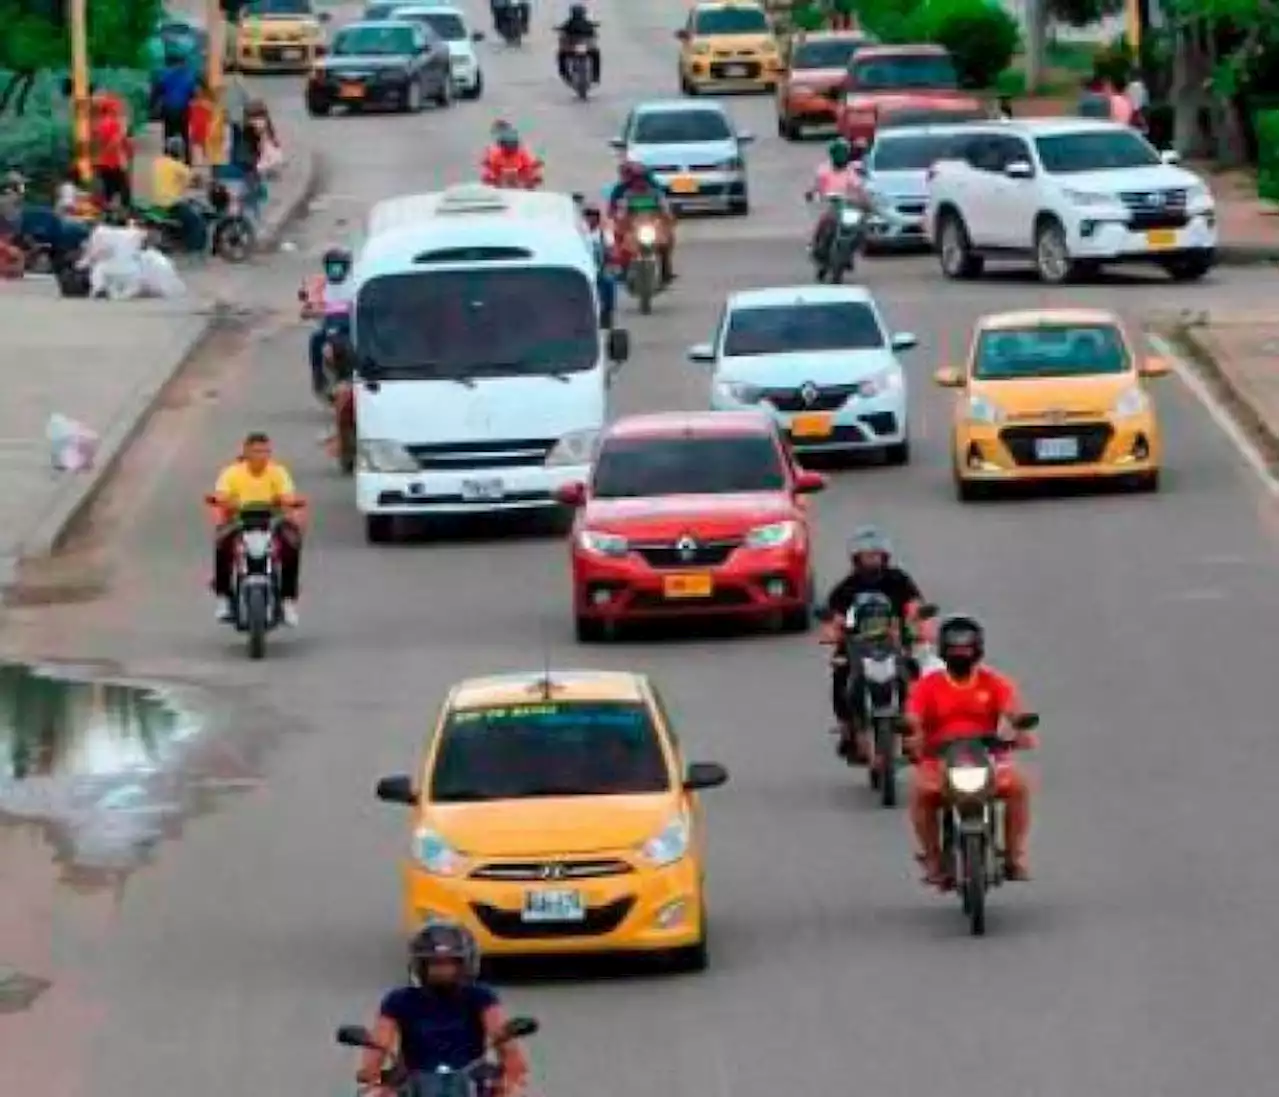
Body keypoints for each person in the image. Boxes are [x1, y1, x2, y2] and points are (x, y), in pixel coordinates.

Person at [904, 614, 1034, 887]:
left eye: (966, 649)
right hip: (938, 756)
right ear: (944, 651)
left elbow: (1013, 711)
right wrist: (911, 735)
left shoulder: (993, 682)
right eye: (954, 649)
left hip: (986, 754)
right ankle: (934, 859)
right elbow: (913, 716)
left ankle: (1014, 855)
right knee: (921, 794)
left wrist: (1021, 731)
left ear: (977, 650)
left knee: (1019, 787)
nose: (960, 654)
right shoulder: (928, 685)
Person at [355, 922, 529, 1097]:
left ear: (464, 964)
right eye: (435, 964)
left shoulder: (481, 996)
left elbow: (499, 1032)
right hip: (412, 1080)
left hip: (472, 1078)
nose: (442, 970)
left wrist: (511, 1062)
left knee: (513, 1093)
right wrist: (371, 1069)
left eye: (450, 963)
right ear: (421, 966)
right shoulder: (398, 1000)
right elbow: (380, 1043)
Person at [821, 526, 925, 761]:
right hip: (855, 644)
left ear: (885, 557)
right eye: (867, 555)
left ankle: (913, 729)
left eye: (877, 554)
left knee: (915, 673)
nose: (872, 559)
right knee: (840, 675)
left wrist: (919, 625)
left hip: (894, 641)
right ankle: (848, 728)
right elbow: (834, 616)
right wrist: (832, 631)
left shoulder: (898, 579)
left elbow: (914, 605)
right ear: (857, 559)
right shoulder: (846, 587)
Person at [209, 432, 304, 626]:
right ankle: (223, 598)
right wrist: (223, 500)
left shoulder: (278, 472)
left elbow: (288, 496)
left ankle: (288, 600)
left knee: (292, 544)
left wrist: (287, 501)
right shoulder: (232, 472)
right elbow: (220, 494)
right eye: (256, 451)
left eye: (265, 451)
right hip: (239, 521)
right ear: (245, 452)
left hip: (272, 522)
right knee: (222, 544)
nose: (261, 455)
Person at [806, 138, 878, 266]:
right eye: (838, 153)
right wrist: (812, 193)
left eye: (844, 153)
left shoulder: (850, 170)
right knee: (823, 222)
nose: (841, 158)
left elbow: (859, 188)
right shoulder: (824, 169)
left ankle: (849, 252)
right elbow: (816, 186)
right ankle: (816, 246)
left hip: (847, 206)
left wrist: (866, 203)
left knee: (859, 227)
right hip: (830, 205)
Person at [608, 160, 676, 283]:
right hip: (634, 227)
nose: (640, 182)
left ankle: (666, 270)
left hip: (654, 225)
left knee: (666, 241)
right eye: (637, 179)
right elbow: (621, 210)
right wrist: (620, 217)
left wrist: (668, 216)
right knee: (624, 243)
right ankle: (624, 269)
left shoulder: (656, 193)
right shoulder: (627, 194)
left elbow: (665, 207)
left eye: (643, 179)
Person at [306, 247, 356, 399]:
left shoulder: (355, 282)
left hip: (351, 324)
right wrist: (310, 310)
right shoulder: (320, 284)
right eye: (331, 266)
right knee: (315, 340)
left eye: (338, 266)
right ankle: (318, 376)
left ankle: (348, 377)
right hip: (329, 324)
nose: (335, 270)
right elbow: (310, 304)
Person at [152, 137, 207, 252]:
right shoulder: (177, 166)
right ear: (179, 151)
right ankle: (194, 249)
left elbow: (172, 180)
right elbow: (195, 178)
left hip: (157, 203)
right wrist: (203, 183)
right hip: (172, 204)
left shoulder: (158, 162)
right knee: (197, 220)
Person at [152, 52, 198, 163]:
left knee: (168, 133)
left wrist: (153, 105)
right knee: (184, 134)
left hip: (168, 109)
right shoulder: (188, 75)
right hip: (183, 109)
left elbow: (158, 90)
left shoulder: (165, 74)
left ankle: (168, 158)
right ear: (182, 62)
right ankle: (187, 160)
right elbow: (192, 93)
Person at [577, 197, 616, 329]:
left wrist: (611, 256)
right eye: (588, 215)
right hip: (582, 270)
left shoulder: (603, 234)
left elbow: (611, 249)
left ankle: (607, 314)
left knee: (609, 282)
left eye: (593, 215)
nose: (590, 218)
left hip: (599, 270)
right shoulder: (578, 234)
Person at [90, 94, 133, 208]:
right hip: (114, 163)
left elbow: (94, 145)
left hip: (101, 163)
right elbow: (122, 142)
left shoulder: (97, 126)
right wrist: (128, 154)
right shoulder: (115, 124)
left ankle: (106, 211)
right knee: (124, 192)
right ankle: (123, 212)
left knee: (108, 191)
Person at [554, 3, 601, 85]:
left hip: (572, 49)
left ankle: (564, 73)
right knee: (596, 55)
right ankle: (595, 76)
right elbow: (594, 35)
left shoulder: (569, 23)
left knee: (561, 55)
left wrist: (558, 29)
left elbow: (562, 31)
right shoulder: (587, 24)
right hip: (585, 49)